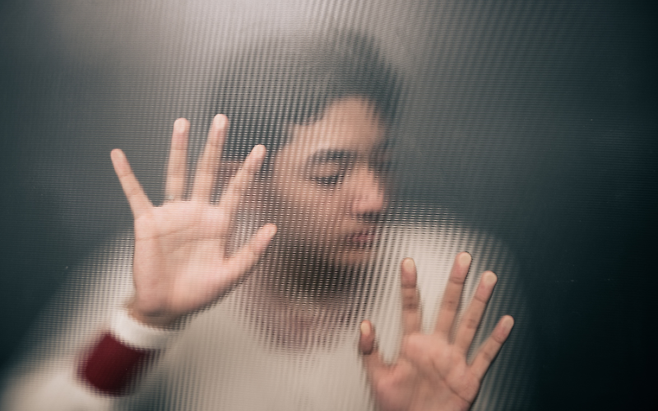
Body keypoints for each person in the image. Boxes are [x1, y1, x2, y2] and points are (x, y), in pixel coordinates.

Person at [1, 31, 533, 410]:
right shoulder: (161, 266)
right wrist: (145, 324)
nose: (375, 198)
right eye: (330, 175)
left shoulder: (448, 274)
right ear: (249, 183)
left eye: (383, 164)